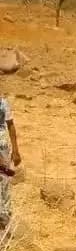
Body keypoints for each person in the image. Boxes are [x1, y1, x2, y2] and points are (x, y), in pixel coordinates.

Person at [0, 90, 21, 230]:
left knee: (4, 179)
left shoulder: (3, 103)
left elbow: (11, 125)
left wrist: (16, 150)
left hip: (2, 146)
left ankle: (5, 217)